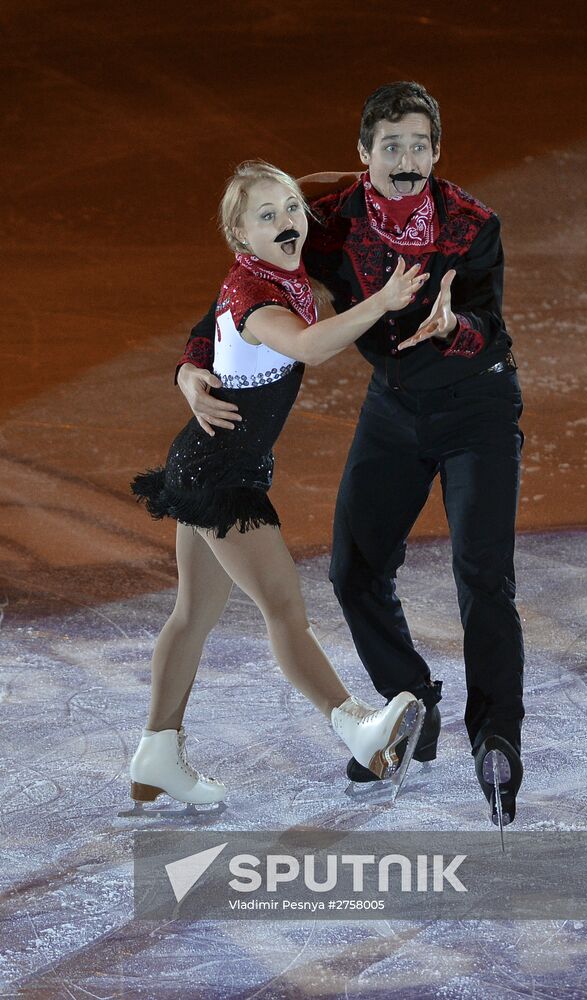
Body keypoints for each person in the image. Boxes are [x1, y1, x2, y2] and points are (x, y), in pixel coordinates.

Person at [177, 83, 525, 830]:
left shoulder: (471, 226)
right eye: (390, 146)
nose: (406, 162)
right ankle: (415, 708)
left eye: (419, 146)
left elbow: (491, 329)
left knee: (480, 575)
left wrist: (451, 325)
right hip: (396, 409)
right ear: (362, 154)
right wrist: (191, 362)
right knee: (354, 569)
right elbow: (244, 281)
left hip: (477, 408)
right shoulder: (325, 221)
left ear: (437, 152)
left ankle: (497, 737)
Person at [128, 160, 428, 811]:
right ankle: (359, 729)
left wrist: (376, 181)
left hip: (212, 464)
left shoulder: (278, 262)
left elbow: (203, 334)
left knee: (193, 616)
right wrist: (381, 302)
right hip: (220, 478)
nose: (288, 220)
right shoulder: (257, 295)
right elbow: (309, 347)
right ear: (240, 236)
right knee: (285, 610)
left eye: (290, 208)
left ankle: (158, 750)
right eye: (267, 217)